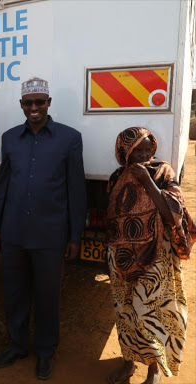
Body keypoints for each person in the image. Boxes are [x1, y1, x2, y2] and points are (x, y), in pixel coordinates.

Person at [0, 77, 87, 380]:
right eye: (28, 103)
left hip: (50, 234)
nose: (34, 107)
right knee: (14, 294)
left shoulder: (69, 138)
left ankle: (45, 352)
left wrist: (74, 235)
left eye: (39, 102)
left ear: (48, 103)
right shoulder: (9, 138)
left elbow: (76, 190)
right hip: (14, 232)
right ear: (21, 105)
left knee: (47, 297)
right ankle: (17, 345)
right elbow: (3, 185)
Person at [106, 127, 195, 384]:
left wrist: (147, 182)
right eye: (137, 151)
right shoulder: (115, 177)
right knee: (125, 313)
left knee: (150, 313)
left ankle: (154, 370)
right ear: (125, 152)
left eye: (148, 149)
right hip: (121, 258)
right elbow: (111, 219)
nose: (144, 155)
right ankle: (127, 364)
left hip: (155, 256)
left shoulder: (161, 172)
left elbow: (173, 214)